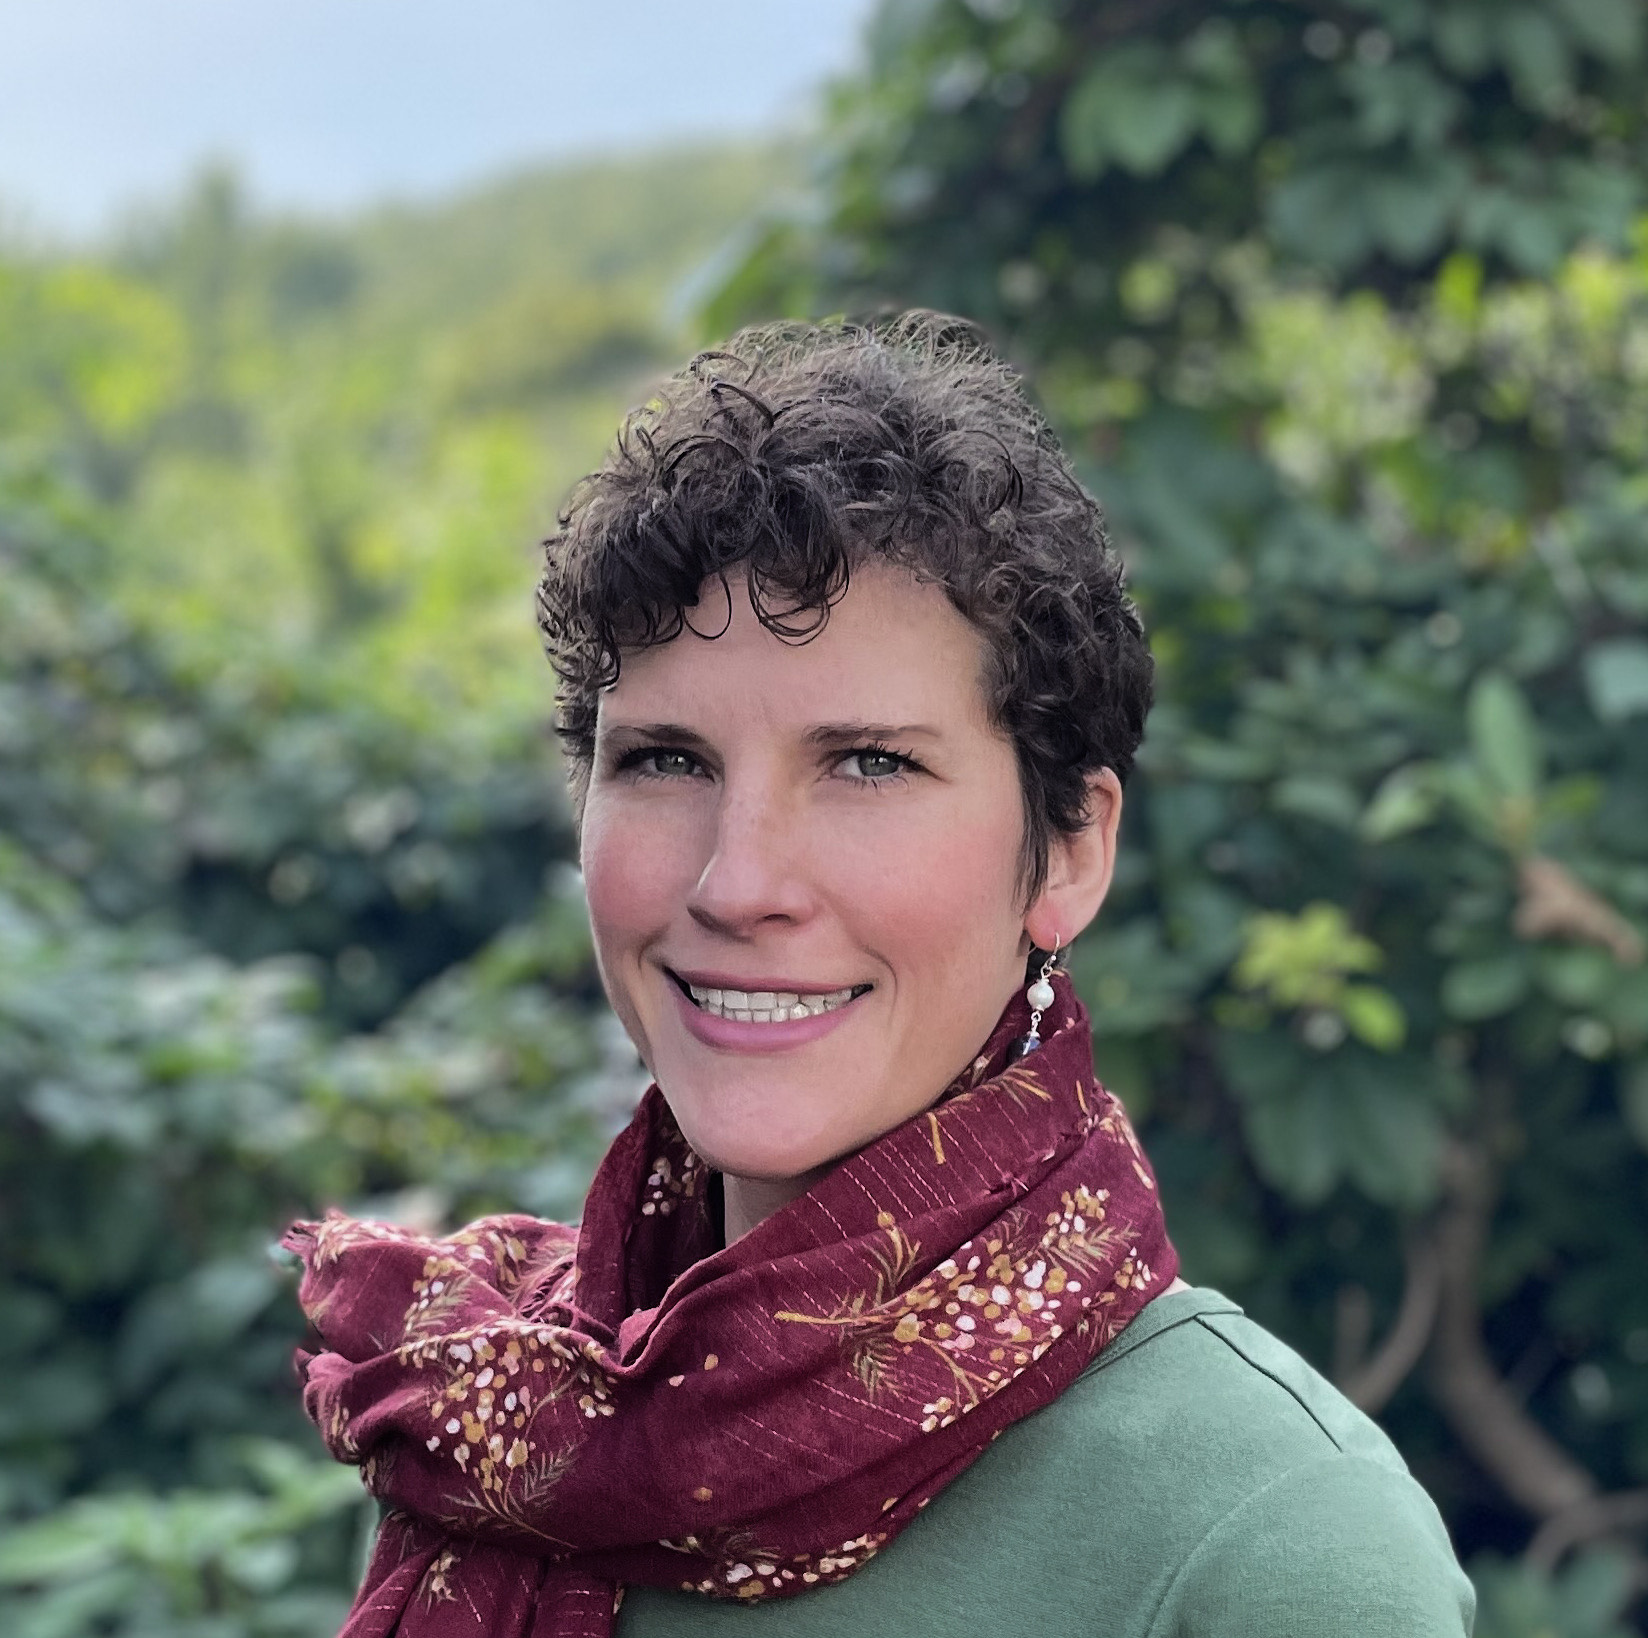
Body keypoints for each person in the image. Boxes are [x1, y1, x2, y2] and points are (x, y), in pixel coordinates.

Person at [285, 314, 1475, 1637]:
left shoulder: (1268, 1541)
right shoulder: (493, 1429)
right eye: (666, 760)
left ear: (1069, 849)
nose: (737, 882)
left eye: (869, 763)